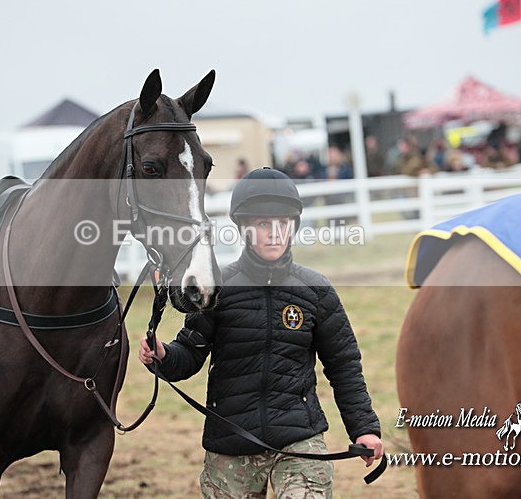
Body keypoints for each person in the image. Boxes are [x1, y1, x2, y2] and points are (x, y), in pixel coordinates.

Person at [139, 167, 383, 498]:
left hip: (300, 441)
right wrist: (163, 355)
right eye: (264, 224)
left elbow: (345, 367)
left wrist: (364, 429)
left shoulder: (316, 291)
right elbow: (190, 355)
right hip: (231, 442)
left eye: (283, 224)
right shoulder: (218, 288)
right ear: (244, 228)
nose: (274, 233)